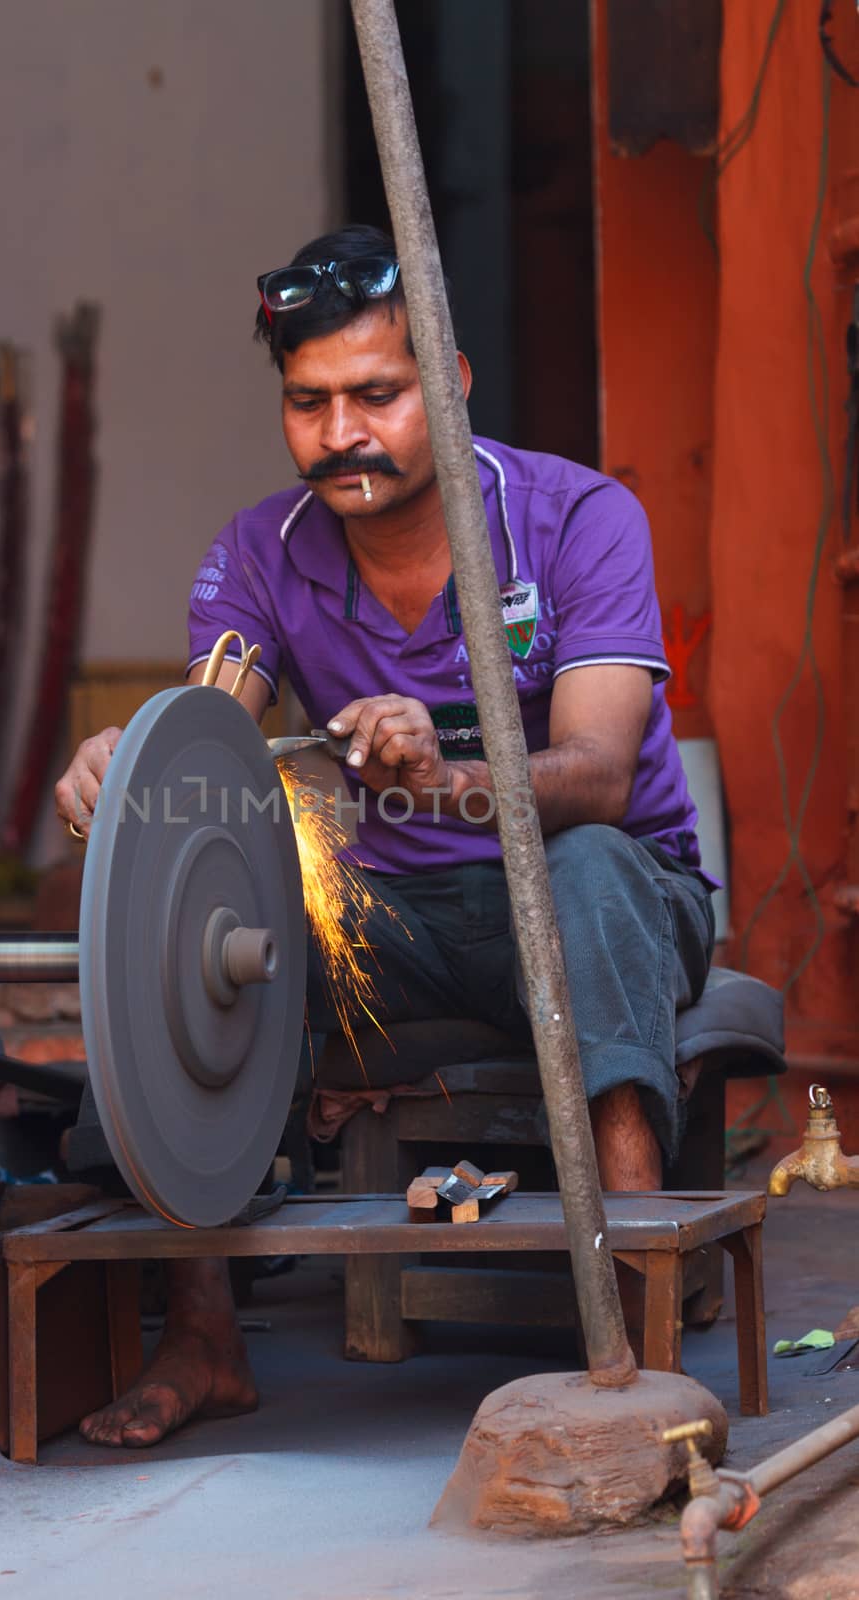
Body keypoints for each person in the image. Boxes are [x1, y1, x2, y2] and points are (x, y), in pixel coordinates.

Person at [54, 224, 715, 1448]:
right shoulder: (263, 553)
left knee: (585, 871)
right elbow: (210, 742)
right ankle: (203, 1336)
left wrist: (447, 772)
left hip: (608, 895)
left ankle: (635, 1311)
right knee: (201, 919)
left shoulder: (577, 518)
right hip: (398, 925)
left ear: (448, 385)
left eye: (377, 395)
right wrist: (129, 766)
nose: (342, 433)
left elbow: (601, 780)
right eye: (310, 403)